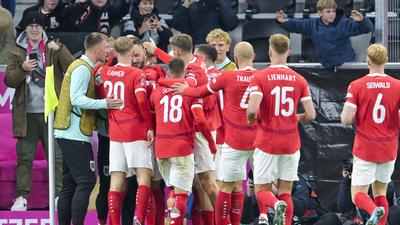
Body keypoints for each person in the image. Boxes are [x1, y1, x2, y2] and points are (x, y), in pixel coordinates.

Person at [172, 41, 258, 225]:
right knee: (232, 184)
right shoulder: (226, 74)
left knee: (210, 185)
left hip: (211, 133)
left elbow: (199, 94)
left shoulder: (205, 76)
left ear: (201, 58)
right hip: (232, 133)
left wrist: (185, 90)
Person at [4, 11, 74, 211]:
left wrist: (59, 48)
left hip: (52, 111)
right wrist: (23, 69)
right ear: (25, 28)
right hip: (26, 113)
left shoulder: (53, 46)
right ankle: (21, 198)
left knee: (58, 157)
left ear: (43, 28)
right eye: (31, 26)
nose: (34, 29)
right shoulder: (16, 50)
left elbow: (71, 66)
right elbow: (9, 80)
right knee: (25, 157)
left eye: (38, 26)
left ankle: (60, 196)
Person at [53, 32, 123, 225]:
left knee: (70, 183)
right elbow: (76, 99)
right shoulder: (83, 69)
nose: (109, 50)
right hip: (74, 133)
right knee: (86, 181)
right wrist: (104, 103)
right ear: (97, 49)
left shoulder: (82, 66)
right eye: (107, 46)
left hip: (68, 132)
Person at [247, 34, 316, 225]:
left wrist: (253, 118)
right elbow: (311, 115)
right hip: (290, 142)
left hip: (267, 140)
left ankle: (276, 205)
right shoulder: (299, 79)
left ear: (269, 52)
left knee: (262, 190)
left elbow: (252, 110)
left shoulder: (260, 76)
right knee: (286, 190)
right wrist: (294, 117)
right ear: (289, 52)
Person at [150, 57, 216, 225]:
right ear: (185, 71)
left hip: (161, 148)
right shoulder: (189, 90)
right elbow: (200, 119)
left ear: (169, 71)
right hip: (181, 147)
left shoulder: (157, 91)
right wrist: (211, 143)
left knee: (173, 189)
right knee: (181, 194)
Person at [341, 43, 400, 225]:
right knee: (380, 191)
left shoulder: (357, 85)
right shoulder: (397, 85)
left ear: (367, 60)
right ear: (386, 61)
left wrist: (361, 114)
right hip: (388, 147)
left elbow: (346, 118)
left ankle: (375, 211)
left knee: (357, 194)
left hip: (366, 147)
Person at [98, 36, 155, 225]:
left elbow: (97, 76)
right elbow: (141, 101)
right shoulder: (136, 74)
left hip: (115, 133)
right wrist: (149, 126)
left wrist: (107, 59)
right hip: (135, 130)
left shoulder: (106, 71)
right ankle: (139, 218)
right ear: (131, 53)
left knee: (116, 179)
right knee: (143, 175)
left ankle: (114, 222)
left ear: (115, 52)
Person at [275, 0, 373, 69]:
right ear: (320, 13)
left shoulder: (344, 23)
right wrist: (283, 21)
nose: (332, 14)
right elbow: (296, 25)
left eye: (333, 11)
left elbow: (367, 28)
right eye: (328, 11)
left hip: (346, 66)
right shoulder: (312, 24)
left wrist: (362, 20)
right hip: (325, 66)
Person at [337, 159, 397, 225]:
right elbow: (342, 207)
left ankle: (375, 211)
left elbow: (389, 190)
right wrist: (346, 180)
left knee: (357, 196)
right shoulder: (351, 182)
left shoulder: (380, 178)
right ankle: (377, 213)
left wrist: (364, 179)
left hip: (385, 217)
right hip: (362, 219)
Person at [172, 0, 239, 45]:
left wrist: (221, 3)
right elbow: (178, 26)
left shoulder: (221, 3)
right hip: (194, 47)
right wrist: (186, 5)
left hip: (217, 47)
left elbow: (232, 24)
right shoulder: (189, 3)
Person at [62, 0, 131, 35]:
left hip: (102, 52)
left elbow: (122, 10)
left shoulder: (109, 10)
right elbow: (66, 15)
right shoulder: (80, 8)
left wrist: (126, 2)